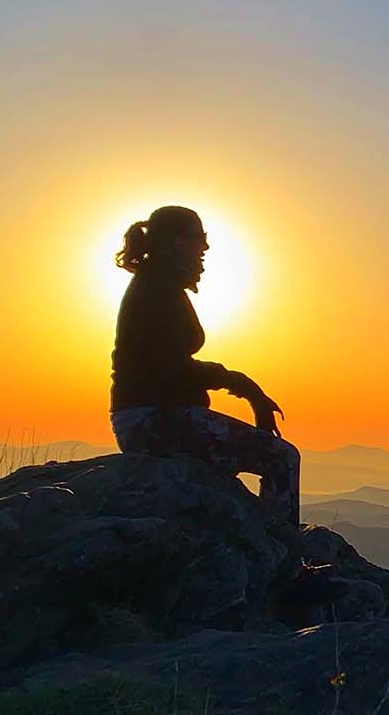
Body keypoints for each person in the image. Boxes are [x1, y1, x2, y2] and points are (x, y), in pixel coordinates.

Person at [109, 205, 301, 526]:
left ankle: (267, 544)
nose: (206, 247)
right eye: (199, 238)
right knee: (281, 457)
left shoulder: (158, 284)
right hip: (155, 420)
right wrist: (243, 385)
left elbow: (169, 365)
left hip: (148, 418)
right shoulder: (157, 290)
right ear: (176, 243)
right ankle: (284, 552)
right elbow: (171, 368)